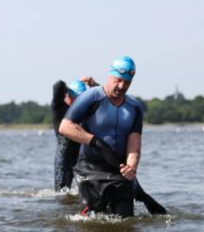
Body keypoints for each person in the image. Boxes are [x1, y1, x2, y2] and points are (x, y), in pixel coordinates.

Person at [59, 56, 143, 217]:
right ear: (110, 75)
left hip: (118, 169)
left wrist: (131, 167)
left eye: (127, 82)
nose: (122, 86)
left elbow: (134, 142)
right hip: (90, 168)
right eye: (118, 80)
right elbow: (65, 126)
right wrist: (95, 142)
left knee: (126, 220)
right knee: (93, 220)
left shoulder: (135, 107)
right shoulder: (91, 97)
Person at [52, 79, 87, 190]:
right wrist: (69, 89)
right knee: (61, 192)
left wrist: (94, 84)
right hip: (63, 158)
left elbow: (103, 100)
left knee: (85, 191)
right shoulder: (59, 107)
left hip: (80, 158)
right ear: (68, 95)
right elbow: (58, 86)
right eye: (77, 97)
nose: (79, 100)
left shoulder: (84, 110)